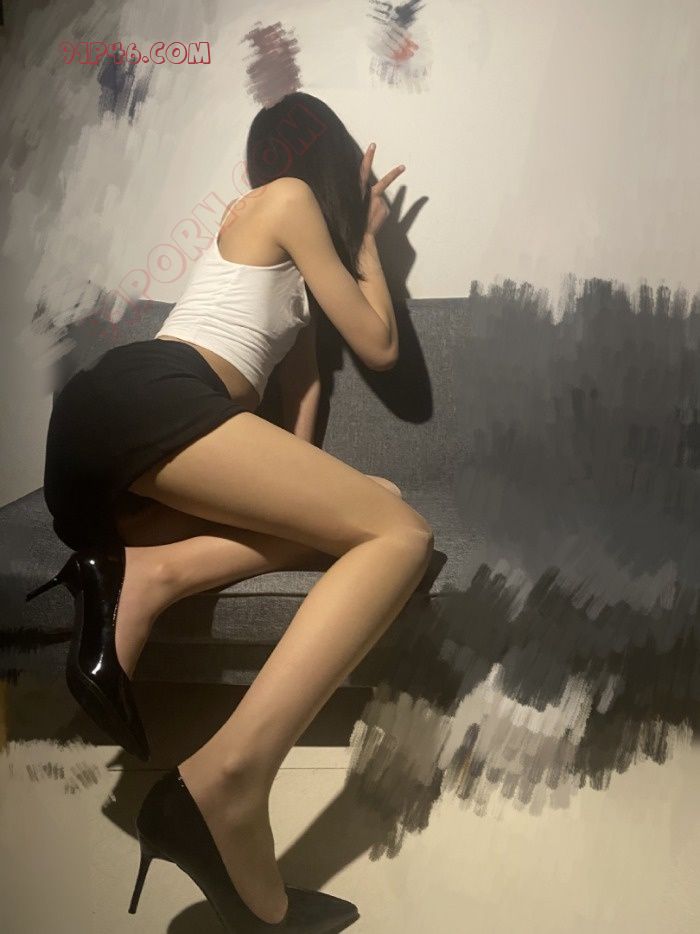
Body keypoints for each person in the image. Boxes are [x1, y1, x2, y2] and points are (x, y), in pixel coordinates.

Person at [28, 92, 434, 930]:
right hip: (152, 400)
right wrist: (369, 239)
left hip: (117, 438)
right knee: (404, 534)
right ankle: (229, 779)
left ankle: (144, 572)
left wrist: (322, 512)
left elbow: (302, 411)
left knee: (379, 511)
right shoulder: (284, 199)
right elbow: (382, 345)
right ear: (329, 158)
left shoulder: (289, 274)